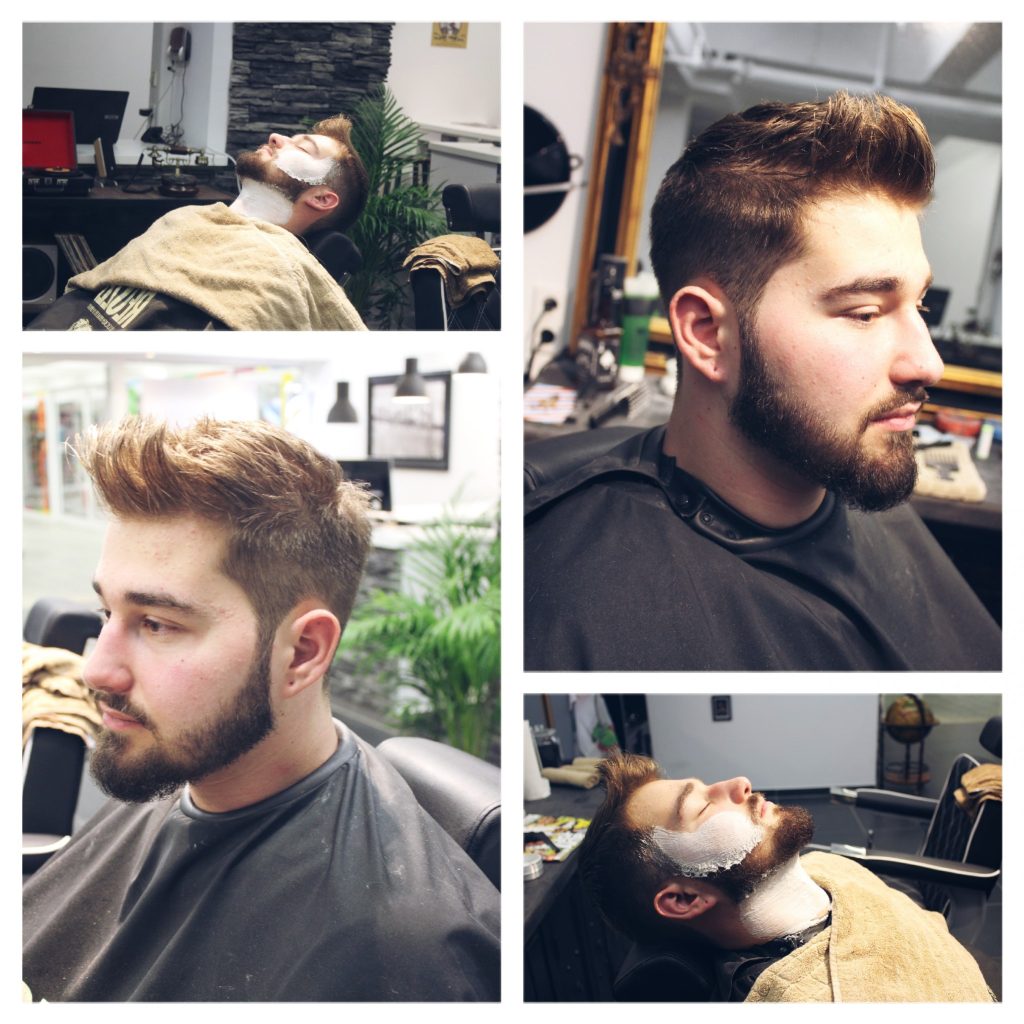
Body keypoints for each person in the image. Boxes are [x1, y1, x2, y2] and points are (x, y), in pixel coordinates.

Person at [22, 417, 500, 1002]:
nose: (95, 670)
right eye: (107, 614)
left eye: (158, 624)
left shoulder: (399, 958)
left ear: (302, 652)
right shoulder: (177, 758)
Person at [524, 92, 1000, 670]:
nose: (927, 363)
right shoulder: (578, 615)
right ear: (706, 333)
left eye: (918, 305)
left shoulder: (858, 481)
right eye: (864, 313)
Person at [577, 753, 994, 1002]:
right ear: (684, 899)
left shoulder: (825, 868)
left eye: (709, 786)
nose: (740, 783)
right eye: (701, 807)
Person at [27, 116, 368, 330]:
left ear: (321, 199)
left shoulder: (282, 270)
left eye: (303, 149)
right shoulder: (187, 218)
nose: (277, 136)